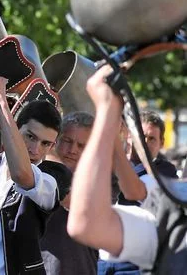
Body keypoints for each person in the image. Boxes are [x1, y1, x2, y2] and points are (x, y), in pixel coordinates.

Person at [67, 65, 187, 274]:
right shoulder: (176, 219)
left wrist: (107, 112)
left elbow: (135, 190)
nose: (145, 141)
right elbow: (86, 222)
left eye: (151, 138)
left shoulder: (165, 173)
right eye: (141, 135)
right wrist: (108, 117)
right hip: (103, 258)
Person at [0, 76, 72, 275]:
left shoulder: (54, 177)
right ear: (16, 129)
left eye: (45, 144)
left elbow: (22, 175)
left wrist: (1, 102)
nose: (35, 149)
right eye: (30, 136)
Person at [40, 111, 98, 275]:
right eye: (67, 141)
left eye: (81, 145)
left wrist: (49, 152)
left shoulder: (102, 180)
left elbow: (72, 200)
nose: (72, 150)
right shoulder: (38, 170)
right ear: (57, 139)